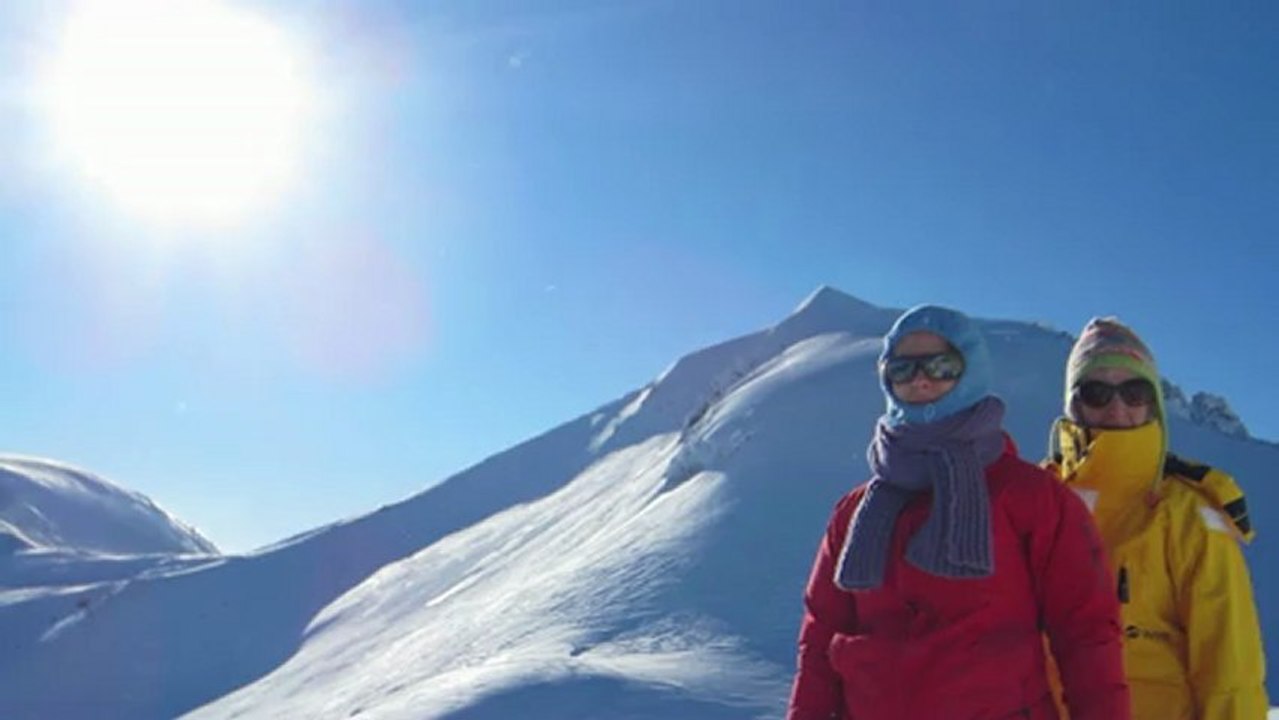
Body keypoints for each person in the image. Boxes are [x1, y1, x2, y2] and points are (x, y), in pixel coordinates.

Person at [787, 305, 1129, 720]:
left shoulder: (1032, 497)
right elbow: (820, 638)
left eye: (942, 366)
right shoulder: (855, 512)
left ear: (972, 372)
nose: (921, 379)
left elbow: (1086, 634)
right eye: (902, 369)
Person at [1046, 318, 1268, 719]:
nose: (1117, 407)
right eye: (1096, 392)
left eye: (1135, 392)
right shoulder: (1034, 502)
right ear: (1072, 405)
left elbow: (1229, 668)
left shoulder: (1189, 514)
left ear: (1154, 405)